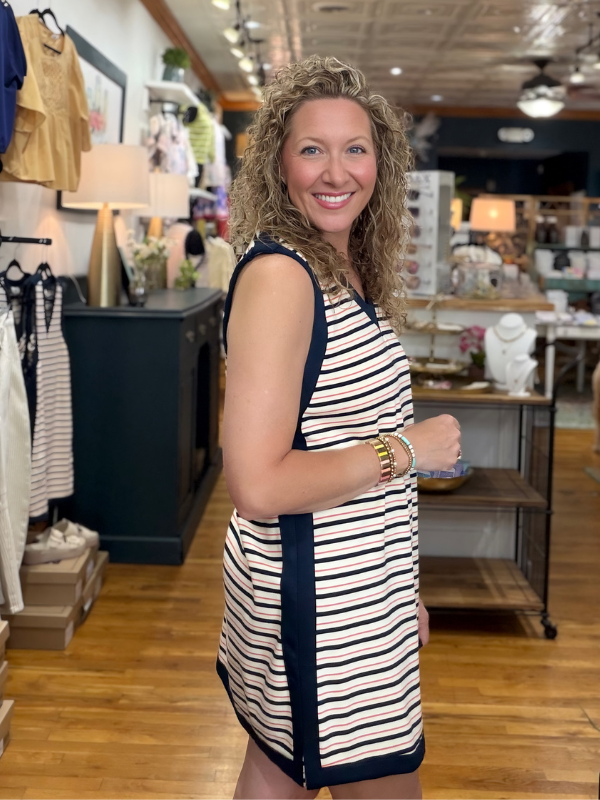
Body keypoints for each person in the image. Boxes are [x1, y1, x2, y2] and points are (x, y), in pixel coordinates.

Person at [217, 55, 461, 800]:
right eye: (311, 148)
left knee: (276, 766)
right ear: (280, 163)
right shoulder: (282, 277)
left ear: (381, 164)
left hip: (354, 589)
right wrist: (409, 450)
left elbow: (333, 433)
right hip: (316, 602)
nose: (335, 171)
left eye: (354, 148)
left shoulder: (342, 269)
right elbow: (257, 483)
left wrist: (396, 587)